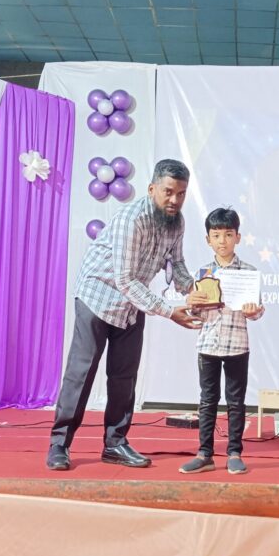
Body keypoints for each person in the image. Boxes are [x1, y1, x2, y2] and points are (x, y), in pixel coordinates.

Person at [47, 159, 205, 471]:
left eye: (181, 193)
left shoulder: (177, 221)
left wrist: (195, 290)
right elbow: (125, 279)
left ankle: (115, 444)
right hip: (98, 296)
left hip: (133, 303)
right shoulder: (132, 219)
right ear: (152, 188)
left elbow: (177, 263)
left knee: (124, 377)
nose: (175, 200)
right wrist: (169, 312)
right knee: (81, 373)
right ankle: (59, 444)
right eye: (168, 192)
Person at [179, 208, 265, 476]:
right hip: (208, 345)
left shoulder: (249, 272)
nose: (222, 241)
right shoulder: (203, 272)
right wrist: (192, 303)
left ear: (238, 237)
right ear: (208, 240)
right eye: (216, 235)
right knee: (208, 400)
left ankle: (234, 453)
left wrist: (253, 311)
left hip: (237, 344)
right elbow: (197, 312)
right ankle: (204, 454)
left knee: (236, 401)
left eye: (228, 235)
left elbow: (257, 311)